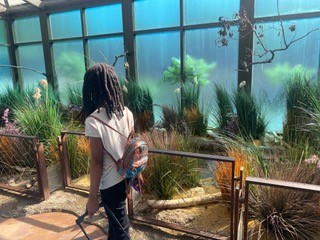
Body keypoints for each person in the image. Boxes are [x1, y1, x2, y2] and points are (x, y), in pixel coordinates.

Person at [80, 62, 133, 240]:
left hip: (109, 184)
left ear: (91, 88)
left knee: (120, 229)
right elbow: (130, 144)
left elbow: (96, 162)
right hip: (126, 176)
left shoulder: (93, 121)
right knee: (117, 222)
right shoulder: (126, 112)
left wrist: (92, 197)